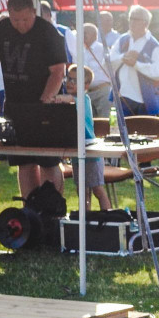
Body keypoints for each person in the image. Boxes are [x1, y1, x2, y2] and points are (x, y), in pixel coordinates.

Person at [0, 0, 68, 196]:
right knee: (24, 161)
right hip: (14, 106)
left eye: (25, 19)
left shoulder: (47, 32)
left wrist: (43, 103)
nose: (21, 25)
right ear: (8, 14)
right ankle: (31, 212)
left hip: (44, 106)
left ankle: (51, 210)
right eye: (15, 20)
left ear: (34, 12)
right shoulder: (2, 30)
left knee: (48, 161)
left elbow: (58, 72)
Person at [55, 65, 112, 211]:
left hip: (90, 150)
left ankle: (107, 216)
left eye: (74, 80)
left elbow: (67, 99)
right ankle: (86, 219)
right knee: (82, 190)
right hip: (77, 149)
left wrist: (54, 98)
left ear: (86, 85)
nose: (69, 82)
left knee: (98, 189)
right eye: (68, 78)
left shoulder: (82, 98)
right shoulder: (72, 100)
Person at [109, 5, 159, 117]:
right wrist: (123, 57)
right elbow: (107, 62)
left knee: (144, 131)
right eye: (131, 18)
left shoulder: (154, 45)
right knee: (122, 132)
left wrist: (136, 64)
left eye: (136, 19)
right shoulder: (122, 39)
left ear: (145, 23)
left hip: (146, 99)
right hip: (123, 95)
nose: (132, 22)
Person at [80, 23, 112, 119]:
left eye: (86, 33)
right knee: (91, 124)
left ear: (94, 35)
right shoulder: (80, 50)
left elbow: (112, 67)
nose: (83, 35)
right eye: (81, 33)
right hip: (87, 93)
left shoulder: (103, 49)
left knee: (105, 122)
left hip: (102, 91)